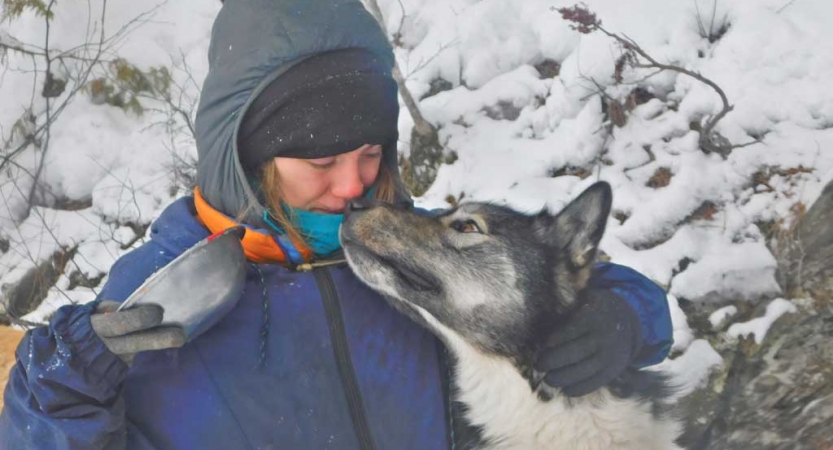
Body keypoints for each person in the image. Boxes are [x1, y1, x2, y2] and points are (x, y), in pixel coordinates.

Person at [0, 0, 673, 449]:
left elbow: (549, 279)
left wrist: (624, 314)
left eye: (370, 153)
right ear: (249, 159)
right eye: (321, 160)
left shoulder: (403, 255)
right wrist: (58, 386)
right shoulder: (158, 296)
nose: (353, 185)